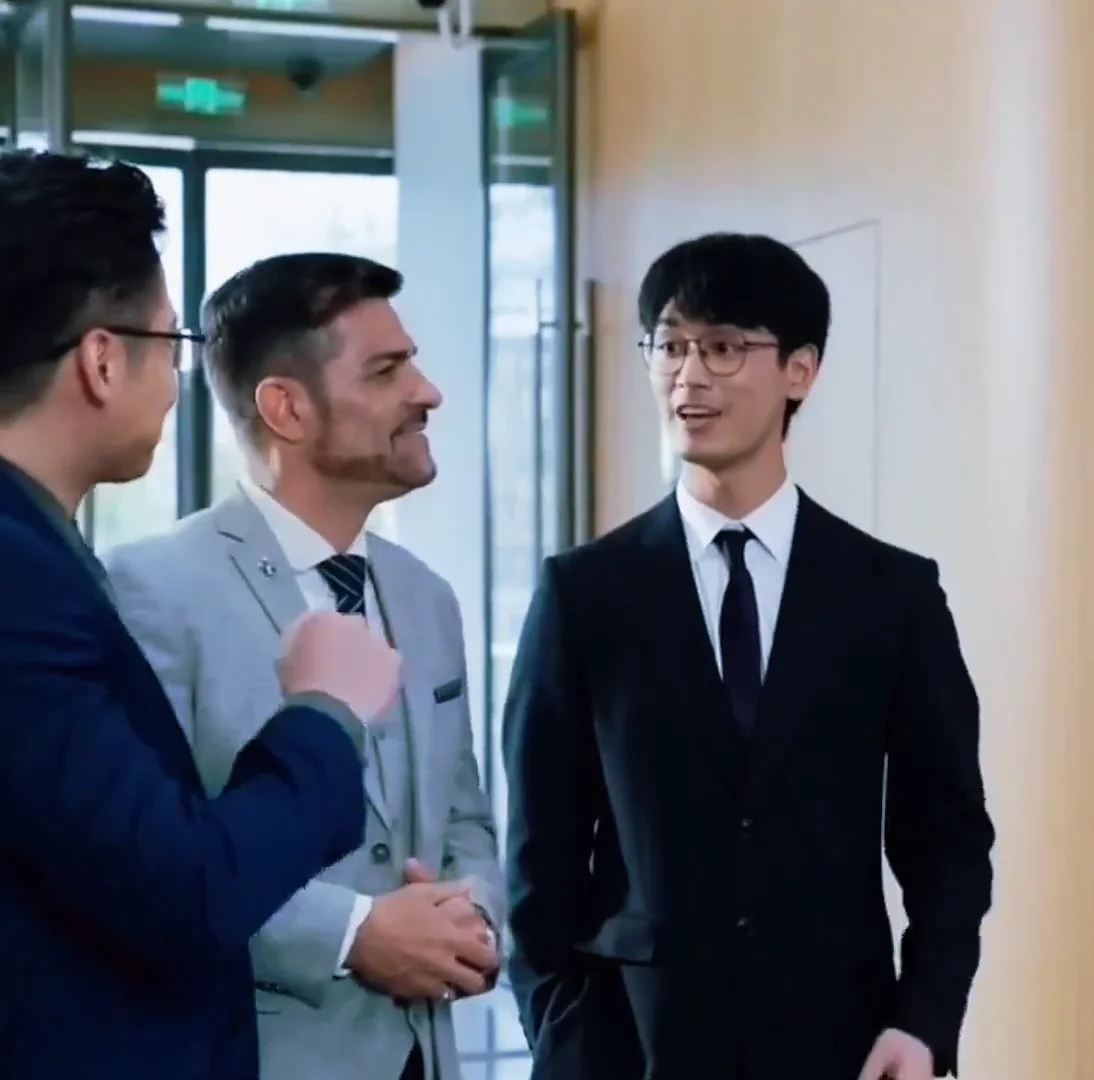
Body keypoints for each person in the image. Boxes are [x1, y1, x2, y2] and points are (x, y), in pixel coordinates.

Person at [503, 232, 996, 1080]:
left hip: (838, 1044)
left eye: (724, 347)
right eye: (669, 344)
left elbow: (947, 839)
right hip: (632, 1047)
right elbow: (537, 852)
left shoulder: (891, 595)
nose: (688, 375)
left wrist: (923, 1021)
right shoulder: (585, 593)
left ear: (799, 371)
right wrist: (562, 1029)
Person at [0, 154, 399, 1078]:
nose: (181, 384)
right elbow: (183, 887)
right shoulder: (20, 578)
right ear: (103, 359)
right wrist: (324, 711)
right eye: (173, 345)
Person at [105, 253, 504, 1080]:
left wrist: (471, 923)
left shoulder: (426, 596)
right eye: (390, 371)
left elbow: (464, 816)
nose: (427, 393)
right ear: (286, 407)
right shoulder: (150, 590)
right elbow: (141, 864)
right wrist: (356, 933)